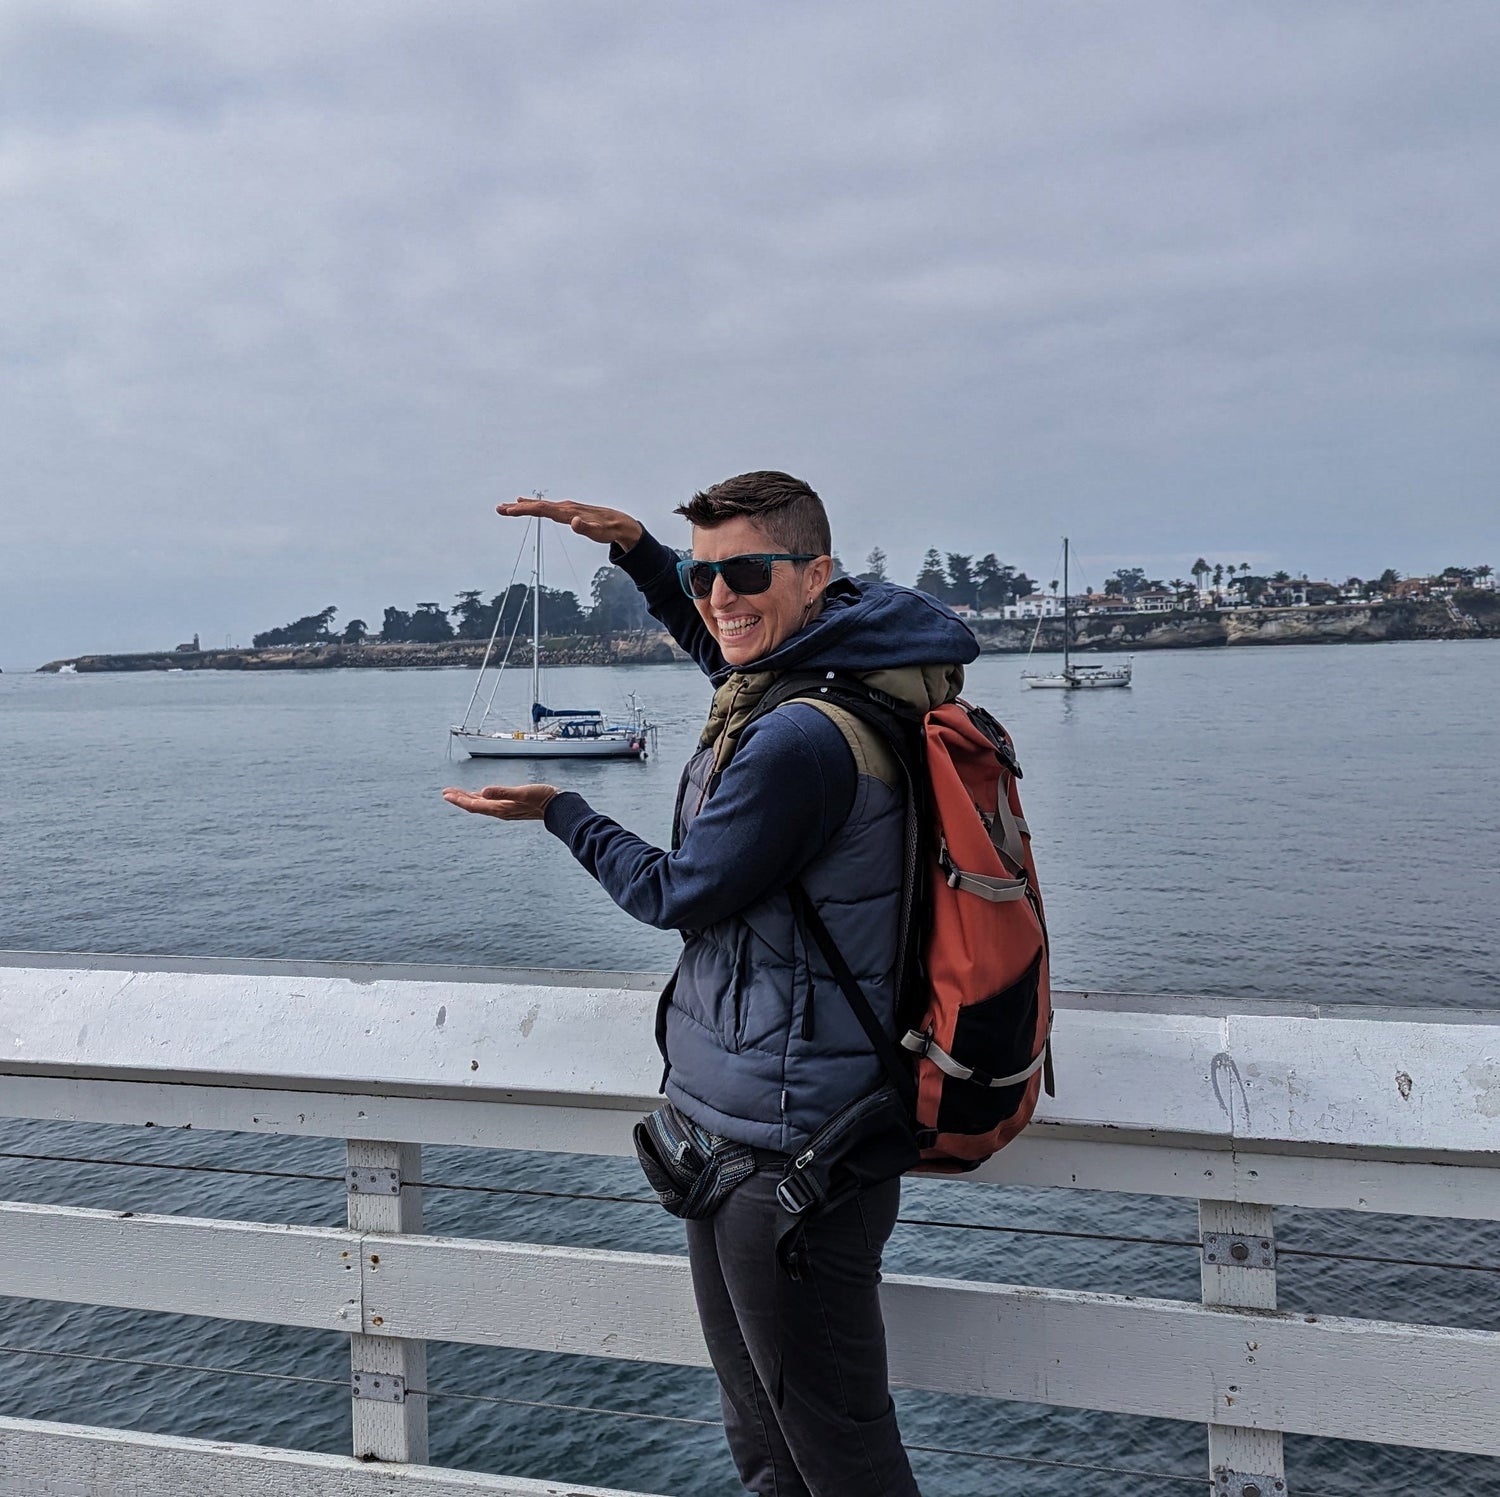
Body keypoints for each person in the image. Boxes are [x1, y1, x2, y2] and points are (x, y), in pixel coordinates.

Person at [444, 471, 978, 1497]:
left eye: (743, 571)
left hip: (789, 1152)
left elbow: (678, 893)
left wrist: (564, 812)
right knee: (770, 1450)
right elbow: (731, 658)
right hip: (756, 1132)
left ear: (816, 575)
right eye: (703, 575)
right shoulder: (838, 683)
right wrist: (643, 554)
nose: (719, 596)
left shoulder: (801, 739)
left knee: (835, 1461)